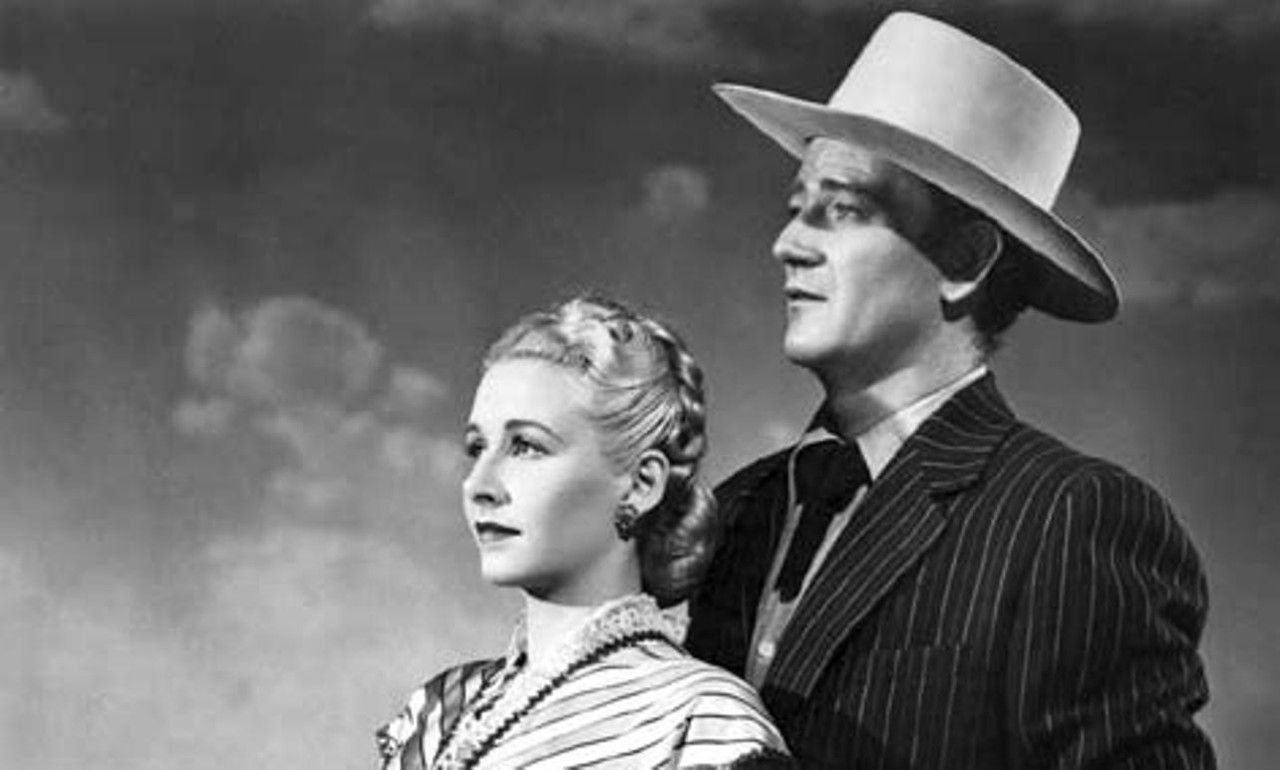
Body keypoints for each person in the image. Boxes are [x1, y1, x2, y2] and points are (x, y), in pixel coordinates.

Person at [684, 12, 1214, 769]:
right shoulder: (734, 508)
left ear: (966, 260)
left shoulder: (1071, 518)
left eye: (843, 209)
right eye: (796, 209)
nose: (789, 243)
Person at [376, 295, 792, 769]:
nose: (479, 485)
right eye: (477, 447)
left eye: (526, 446)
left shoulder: (702, 722)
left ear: (641, 483)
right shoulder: (438, 711)